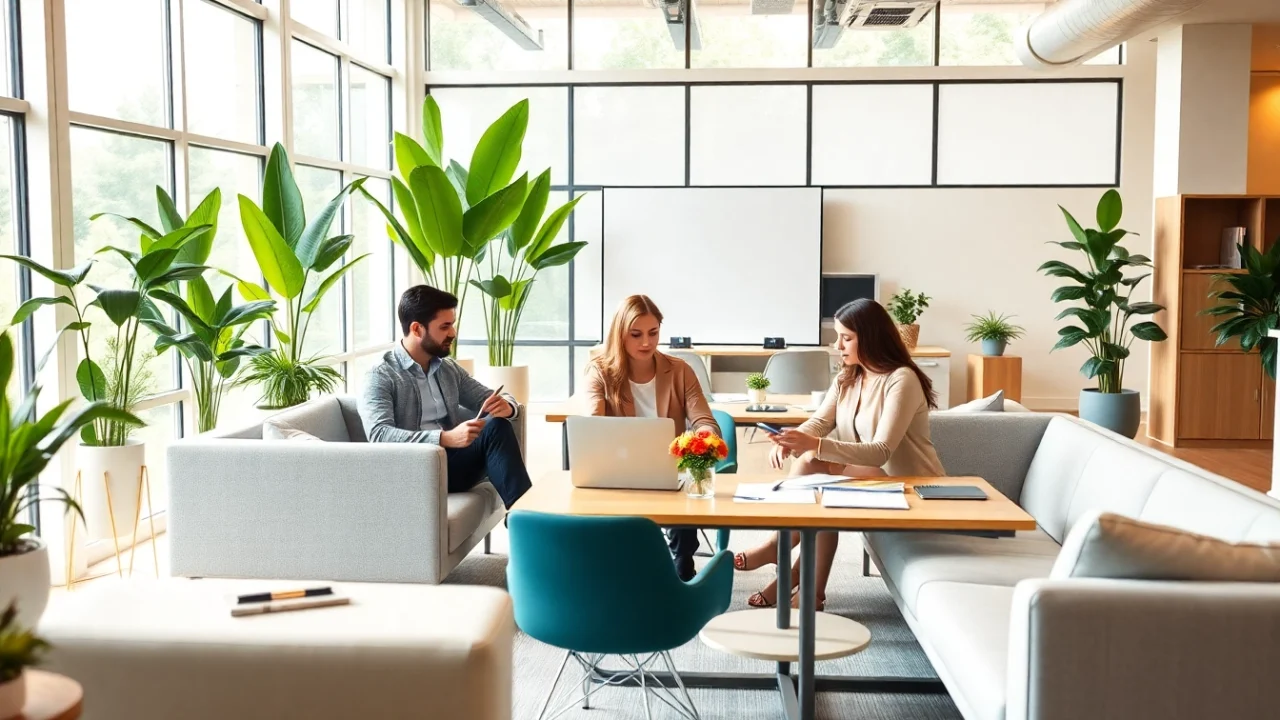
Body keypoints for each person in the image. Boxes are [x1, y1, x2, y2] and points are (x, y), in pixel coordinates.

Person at [733, 298, 944, 609]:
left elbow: (879, 452)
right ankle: (807, 587)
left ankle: (780, 551)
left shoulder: (901, 379)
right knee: (816, 479)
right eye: (838, 336)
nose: (837, 345)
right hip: (873, 478)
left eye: (846, 337)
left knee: (813, 464)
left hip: (910, 486)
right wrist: (791, 439)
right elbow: (820, 421)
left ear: (870, 338)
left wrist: (812, 446)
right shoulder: (849, 375)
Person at [582, 294, 721, 581]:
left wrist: (704, 437)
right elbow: (592, 425)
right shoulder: (600, 372)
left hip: (671, 471)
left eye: (653, 333)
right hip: (618, 472)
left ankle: (682, 568)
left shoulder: (680, 371)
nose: (646, 342)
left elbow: (704, 420)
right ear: (620, 334)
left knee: (686, 495)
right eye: (636, 335)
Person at [359, 285, 532, 509]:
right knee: (494, 429)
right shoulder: (381, 375)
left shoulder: (447, 369)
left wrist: (508, 407)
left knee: (497, 425)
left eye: (452, 324)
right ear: (417, 329)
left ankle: (524, 516)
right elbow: (379, 434)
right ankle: (527, 519)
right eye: (445, 326)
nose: (453, 333)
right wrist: (444, 438)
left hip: (452, 463)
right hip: (414, 470)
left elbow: (491, 396)